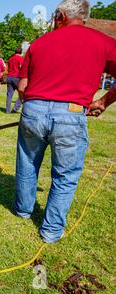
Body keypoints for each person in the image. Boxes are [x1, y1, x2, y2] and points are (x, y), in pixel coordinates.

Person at [16, 0, 116, 244]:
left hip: (33, 109)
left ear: (60, 16)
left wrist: (35, 107)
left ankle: (22, 211)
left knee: (28, 163)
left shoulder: (39, 43)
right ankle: (50, 232)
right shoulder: (104, 42)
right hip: (71, 113)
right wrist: (103, 101)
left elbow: (22, 87)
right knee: (65, 175)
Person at [5, 47, 24, 113]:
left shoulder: (10, 59)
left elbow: (8, 68)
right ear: (21, 52)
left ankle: (7, 110)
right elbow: (22, 68)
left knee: (9, 95)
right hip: (16, 77)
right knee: (22, 93)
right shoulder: (20, 59)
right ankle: (15, 108)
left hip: (9, 77)